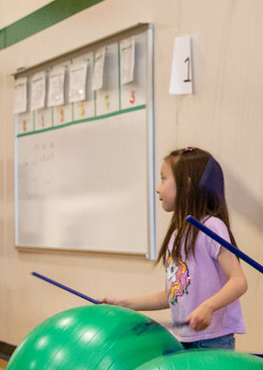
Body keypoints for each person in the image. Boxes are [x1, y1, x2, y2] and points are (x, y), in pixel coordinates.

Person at [103, 147, 247, 349]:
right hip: (182, 340)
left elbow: (239, 281)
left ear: (186, 184)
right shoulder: (177, 234)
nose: (158, 188)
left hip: (212, 341)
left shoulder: (211, 227)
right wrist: (124, 304)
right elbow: (172, 295)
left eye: (163, 179)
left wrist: (208, 307)